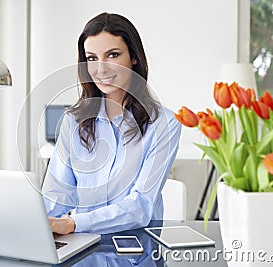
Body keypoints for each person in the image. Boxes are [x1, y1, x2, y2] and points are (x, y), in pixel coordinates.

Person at [42, 12, 181, 235]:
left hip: (137, 247)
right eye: (92, 58)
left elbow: (140, 207)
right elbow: (57, 195)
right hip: (81, 244)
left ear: (133, 57)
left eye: (113, 55)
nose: (101, 69)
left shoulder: (165, 124)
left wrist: (73, 223)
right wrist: (38, 223)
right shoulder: (72, 121)